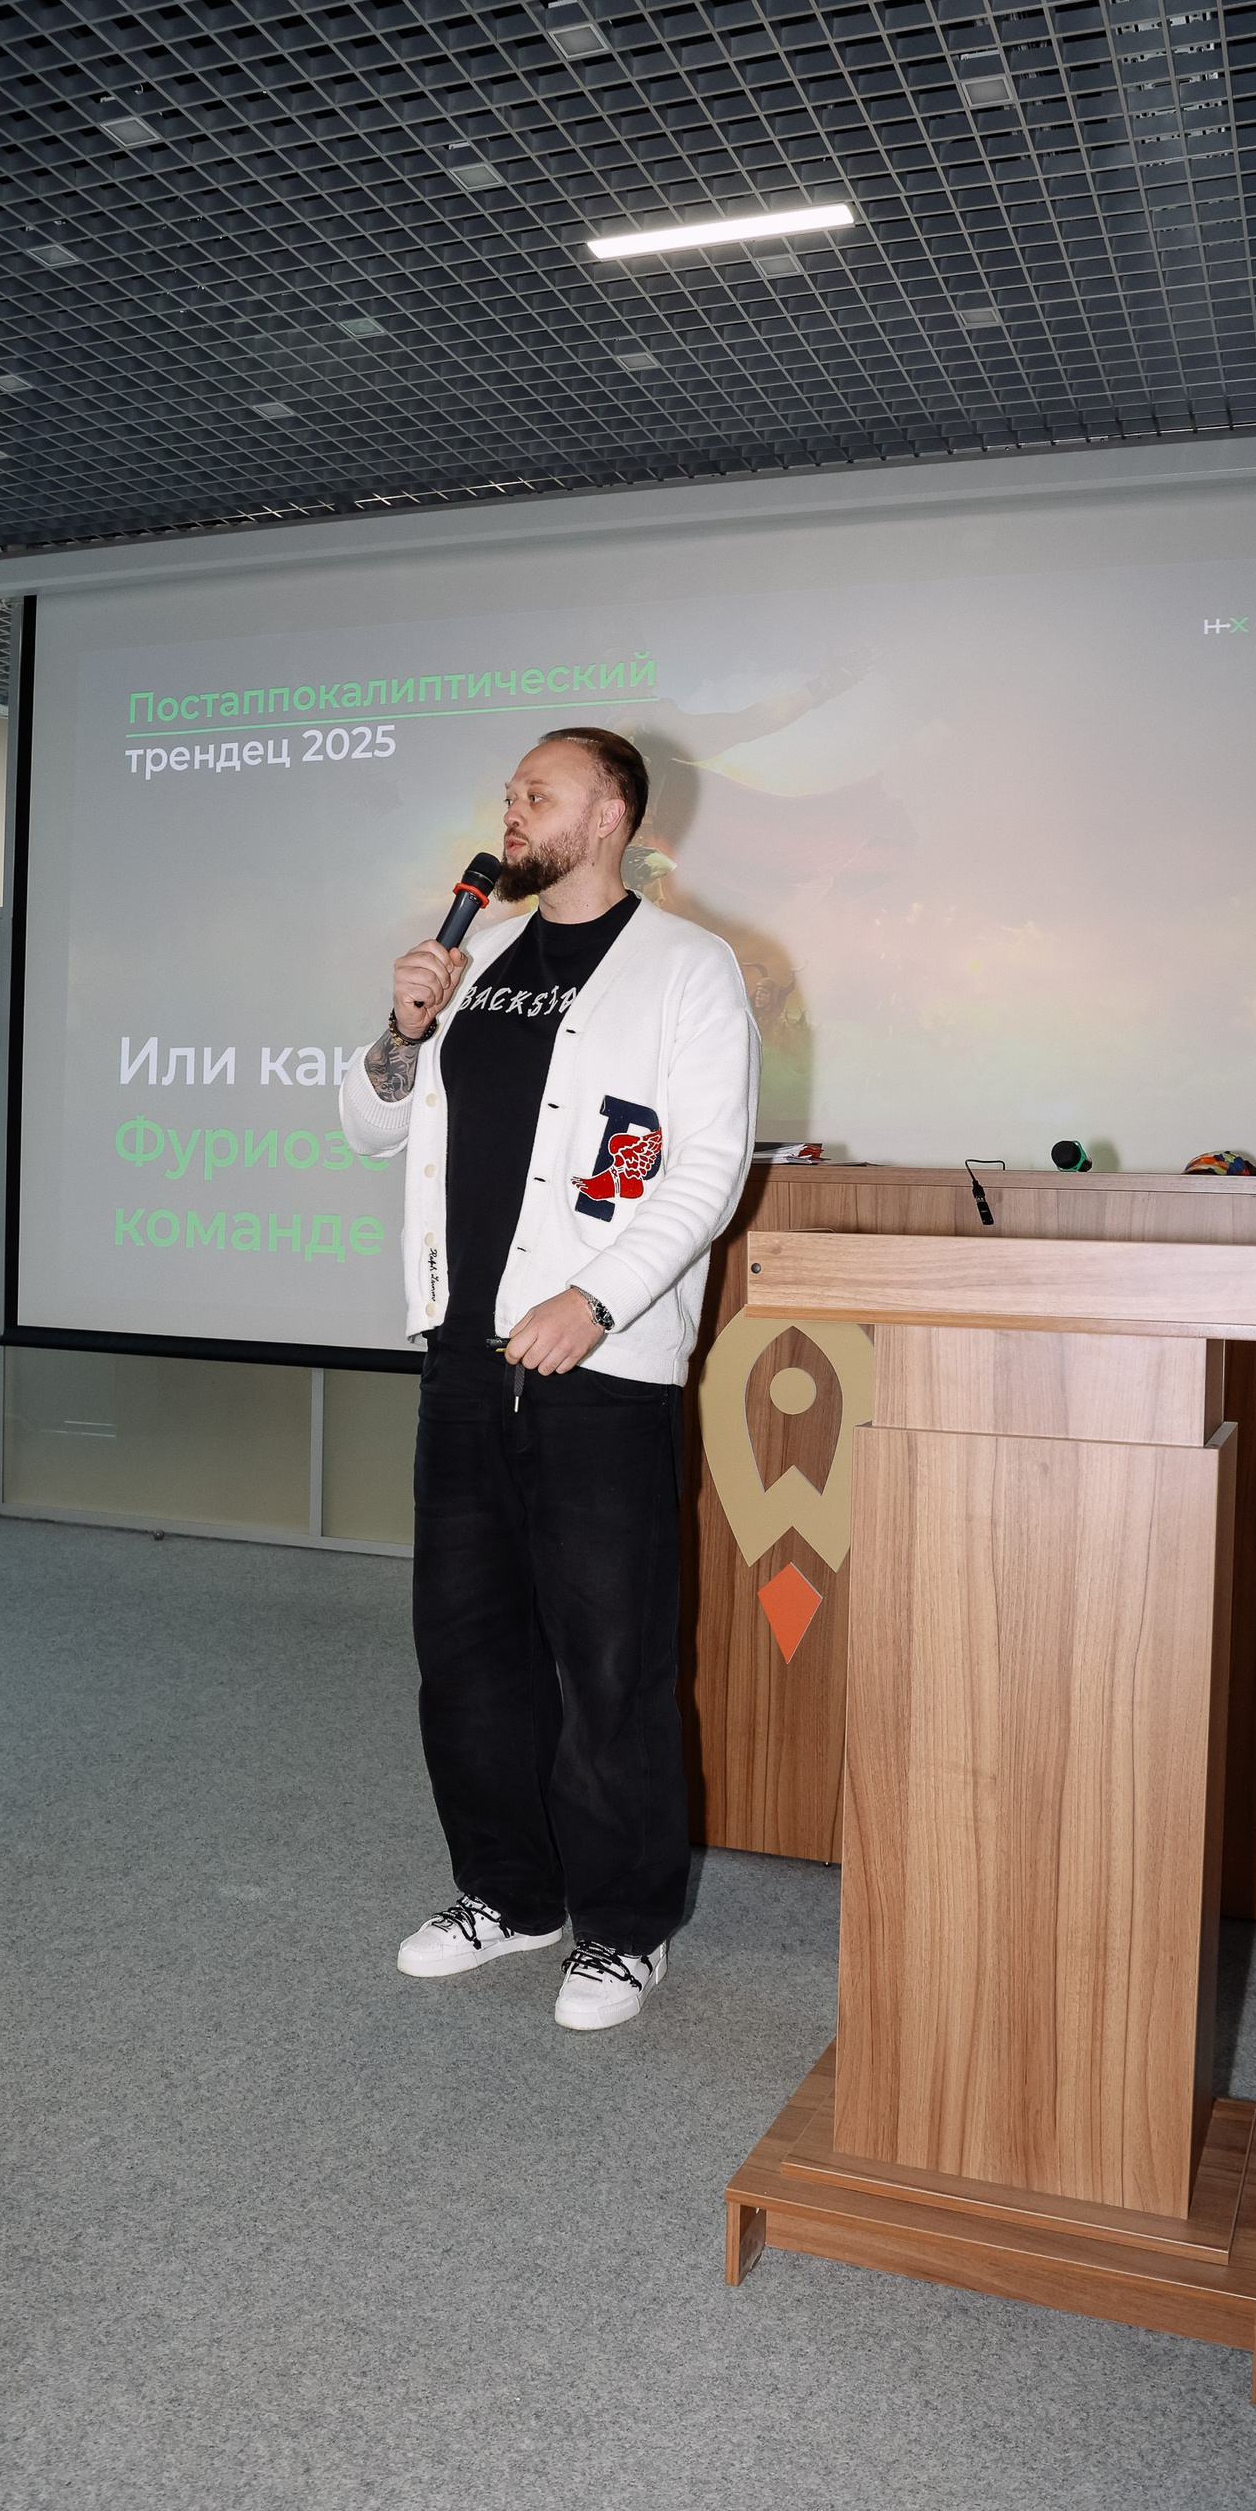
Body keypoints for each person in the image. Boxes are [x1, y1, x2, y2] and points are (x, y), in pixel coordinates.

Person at [341, 727, 760, 2031]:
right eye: (510, 794)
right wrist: (404, 1027)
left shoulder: (688, 968)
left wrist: (597, 1299)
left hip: (601, 1365)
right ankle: (509, 1895)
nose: (512, 812)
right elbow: (370, 1123)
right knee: (467, 1653)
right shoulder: (477, 967)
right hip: (463, 1358)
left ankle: (623, 1929)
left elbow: (706, 1168)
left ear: (612, 813)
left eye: (540, 794)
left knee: (610, 1660)